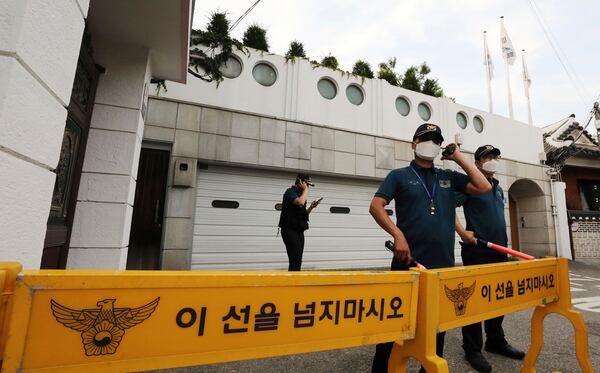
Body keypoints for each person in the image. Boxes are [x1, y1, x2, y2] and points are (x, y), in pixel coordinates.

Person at [369, 123, 491, 373]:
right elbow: (376, 206)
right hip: (407, 264)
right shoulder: (399, 176)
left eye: (436, 141)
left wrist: (457, 157)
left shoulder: (447, 177)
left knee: (436, 329)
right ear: (413, 143)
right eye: (425, 139)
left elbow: (484, 187)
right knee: (393, 327)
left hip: (442, 266)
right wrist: (397, 234)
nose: (431, 144)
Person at [455, 145, 525, 373]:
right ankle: (472, 348)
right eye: (487, 157)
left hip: (499, 249)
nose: (492, 160)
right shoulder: (470, 184)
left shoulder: (498, 187)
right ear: (477, 162)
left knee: (497, 298)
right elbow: (447, 206)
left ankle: (495, 340)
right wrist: (463, 233)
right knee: (474, 301)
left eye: (495, 157)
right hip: (478, 249)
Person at [278, 173, 321, 271]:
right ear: (300, 181)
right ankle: (292, 283)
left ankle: (295, 281)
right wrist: (306, 190)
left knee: (298, 260)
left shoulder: (301, 195)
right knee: (295, 259)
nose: (308, 186)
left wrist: (311, 207)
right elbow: (300, 202)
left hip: (299, 231)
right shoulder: (290, 192)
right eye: (307, 184)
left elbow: (303, 215)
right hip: (289, 230)